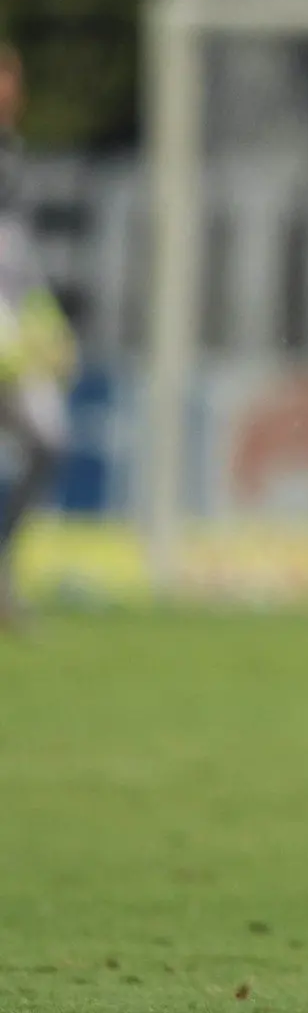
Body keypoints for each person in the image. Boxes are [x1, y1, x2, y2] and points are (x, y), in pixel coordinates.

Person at [0, 42, 74, 627]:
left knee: (48, 440)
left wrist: (47, 324)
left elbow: (17, 256)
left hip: (13, 335)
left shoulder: (13, 157)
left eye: (11, 79)